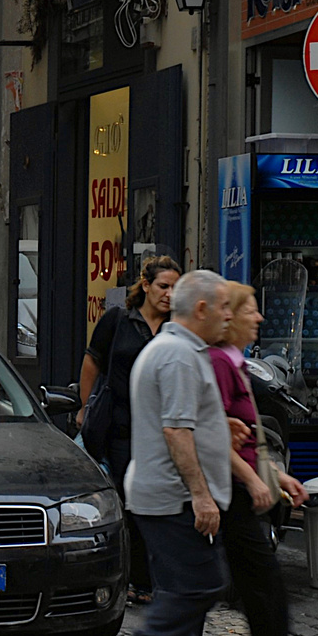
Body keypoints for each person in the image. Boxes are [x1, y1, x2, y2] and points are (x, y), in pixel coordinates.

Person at [100, 269, 233, 636]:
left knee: (182, 588)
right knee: (201, 584)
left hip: (161, 492)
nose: (229, 316)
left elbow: (183, 421)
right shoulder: (177, 354)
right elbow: (176, 431)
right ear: (201, 309)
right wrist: (201, 495)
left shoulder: (178, 349)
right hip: (172, 497)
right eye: (224, 307)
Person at [208, 281, 315, 636]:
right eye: (251, 310)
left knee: (258, 585)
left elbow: (250, 435)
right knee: (257, 583)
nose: (260, 318)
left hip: (243, 485)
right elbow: (212, 432)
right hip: (231, 490)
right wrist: (253, 479)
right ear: (229, 316)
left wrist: (274, 474)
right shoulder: (219, 362)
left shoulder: (235, 363)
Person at [79, 254, 182, 604]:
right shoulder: (120, 320)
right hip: (122, 429)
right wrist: (84, 406)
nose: (168, 294)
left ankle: (150, 578)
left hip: (161, 430)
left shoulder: (177, 327)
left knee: (157, 505)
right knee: (128, 503)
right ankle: (134, 579)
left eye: (174, 288)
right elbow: (92, 360)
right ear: (147, 286)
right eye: (163, 286)